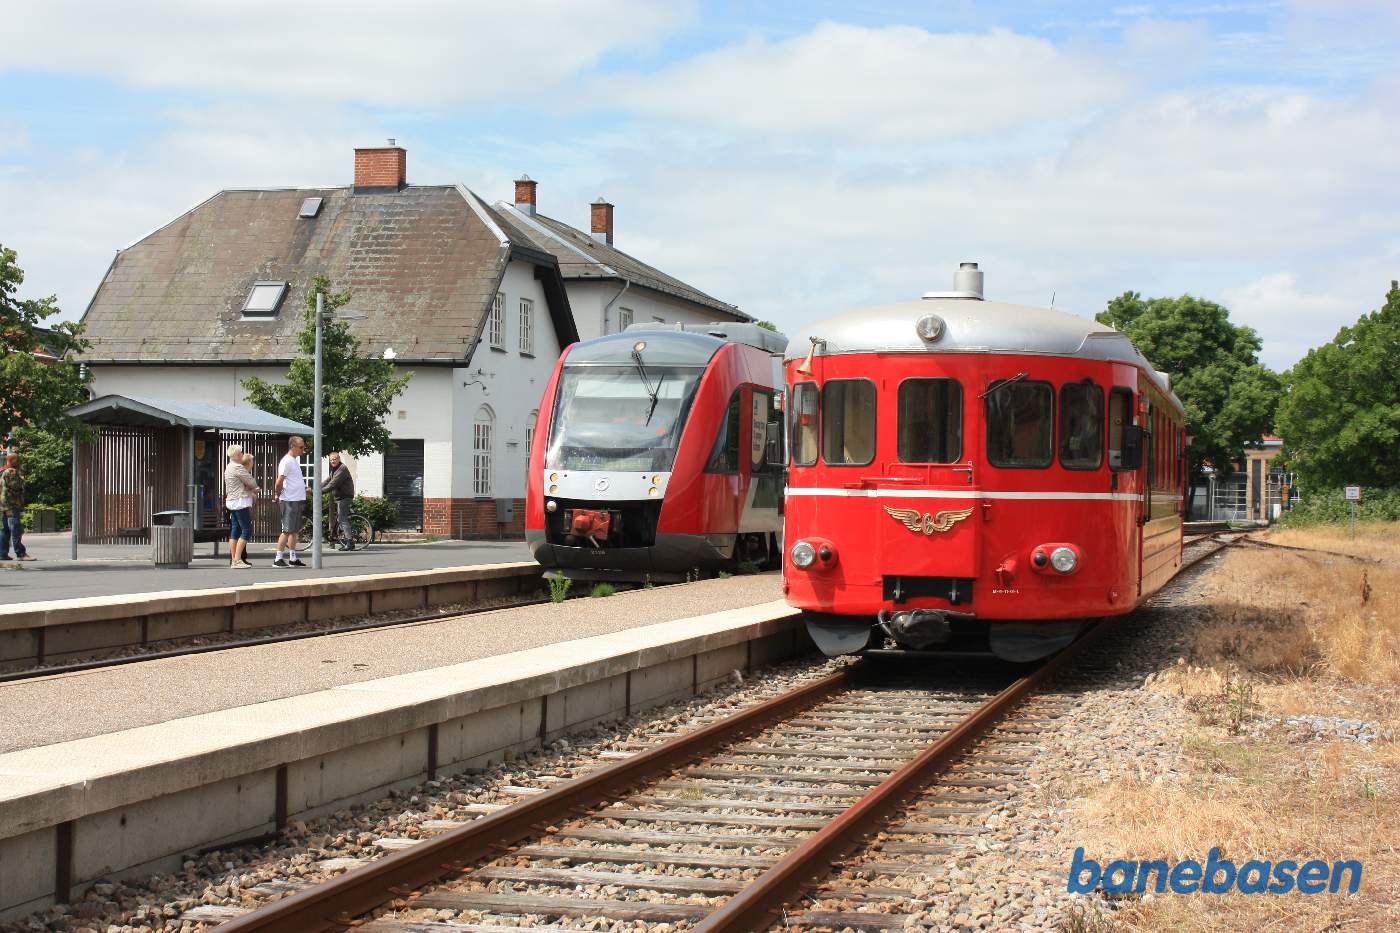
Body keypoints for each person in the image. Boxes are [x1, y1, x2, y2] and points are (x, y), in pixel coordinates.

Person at [273, 436, 308, 568]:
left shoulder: (294, 461)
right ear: (292, 446)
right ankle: (278, 558)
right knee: (287, 530)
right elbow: (279, 481)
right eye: (301, 447)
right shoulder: (286, 461)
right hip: (289, 500)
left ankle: (293, 557)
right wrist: (277, 494)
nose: (303, 450)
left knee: (294, 530)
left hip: (296, 499)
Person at [223, 445, 259, 569]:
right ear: (238, 455)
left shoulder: (228, 467)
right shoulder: (238, 467)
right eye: (241, 453)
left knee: (235, 529)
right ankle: (237, 560)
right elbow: (252, 482)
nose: (242, 454)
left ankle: (234, 559)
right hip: (240, 501)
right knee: (246, 530)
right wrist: (252, 487)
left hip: (232, 501)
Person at [0, 452, 35, 562]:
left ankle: (2, 553)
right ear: (14, 461)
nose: (19, 462)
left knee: (5, 530)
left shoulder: (2, 470)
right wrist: (22, 479)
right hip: (12, 504)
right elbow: (16, 487)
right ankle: (21, 553)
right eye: (17, 460)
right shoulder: (11, 472)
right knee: (16, 529)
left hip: (3, 505)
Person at [321, 452, 357, 550]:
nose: (333, 461)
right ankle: (339, 538)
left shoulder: (342, 469)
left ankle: (350, 543)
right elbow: (327, 481)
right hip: (339, 497)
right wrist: (316, 487)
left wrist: (318, 492)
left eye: (335, 459)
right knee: (339, 519)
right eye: (331, 459)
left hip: (344, 497)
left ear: (339, 459)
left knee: (342, 519)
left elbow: (333, 484)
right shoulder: (334, 470)